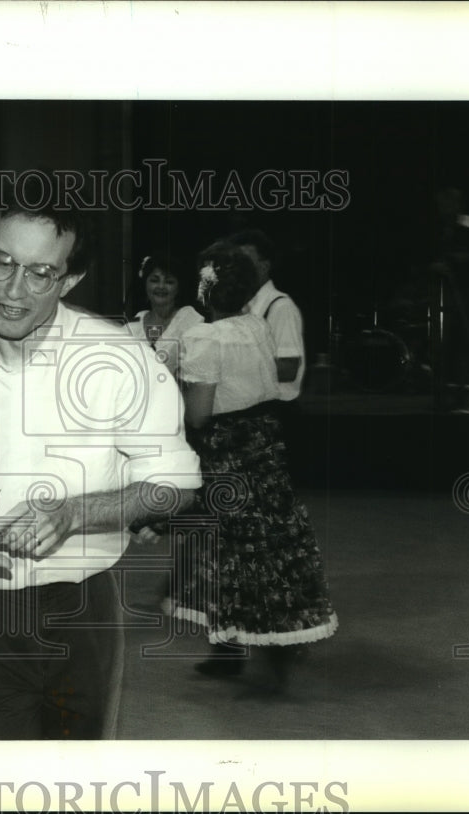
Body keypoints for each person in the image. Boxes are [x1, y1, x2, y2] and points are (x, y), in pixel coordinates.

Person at [0, 184, 202, 739]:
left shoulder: (119, 357)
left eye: (39, 273)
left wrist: (74, 513)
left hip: (81, 604)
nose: (13, 289)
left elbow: (176, 483)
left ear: (70, 279)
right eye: (2, 263)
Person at [174, 241, 337, 686]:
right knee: (271, 542)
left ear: (208, 289)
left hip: (227, 449)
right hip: (265, 443)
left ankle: (229, 647)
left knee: (225, 548)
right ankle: (279, 639)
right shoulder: (255, 327)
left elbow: (199, 415)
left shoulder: (204, 337)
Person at [226, 229, 305, 402]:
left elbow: (288, 369)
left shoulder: (281, 307)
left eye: (245, 262)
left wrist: (230, 367)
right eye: (234, 262)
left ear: (265, 266)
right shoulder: (240, 306)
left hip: (274, 413)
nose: (238, 269)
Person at [128, 253, 204, 379]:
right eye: (154, 280)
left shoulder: (190, 320)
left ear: (178, 287)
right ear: (145, 284)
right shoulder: (132, 325)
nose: (161, 286)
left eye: (169, 282)